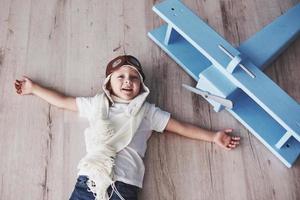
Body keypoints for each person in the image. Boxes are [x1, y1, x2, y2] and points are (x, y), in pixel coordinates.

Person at [14, 55, 240, 200]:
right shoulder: (96, 105)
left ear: (141, 85)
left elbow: (180, 127)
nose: (127, 81)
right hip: (89, 179)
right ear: (108, 84)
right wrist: (34, 89)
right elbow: (63, 101)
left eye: (134, 77)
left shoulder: (148, 112)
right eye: (120, 76)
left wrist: (213, 137)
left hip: (124, 185)